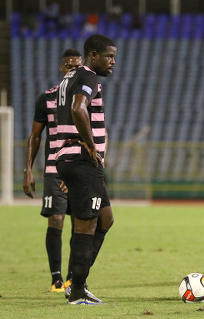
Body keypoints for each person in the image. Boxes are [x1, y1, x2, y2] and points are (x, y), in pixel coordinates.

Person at [55, 34, 116, 305]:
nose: (113, 61)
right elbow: (78, 109)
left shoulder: (70, 77)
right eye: (109, 56)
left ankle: (77, 281)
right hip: (82, 160)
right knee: (87, 223)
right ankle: (76, 290)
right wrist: (91, 146)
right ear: (92, 56)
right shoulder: (88, 76)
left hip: (73, 160)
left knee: (105, 219)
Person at [23, 49, 82, 292]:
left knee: (80, 223)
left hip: (79, 169)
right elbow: (35, 136)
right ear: (61, 68)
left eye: (75, 66)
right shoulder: (46, 98)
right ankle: (56, 278)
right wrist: (27, 169)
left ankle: (72, 278)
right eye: (67, 65)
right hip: (53, 169)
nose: (71, 68)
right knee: (56, 219)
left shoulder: (85, 97)